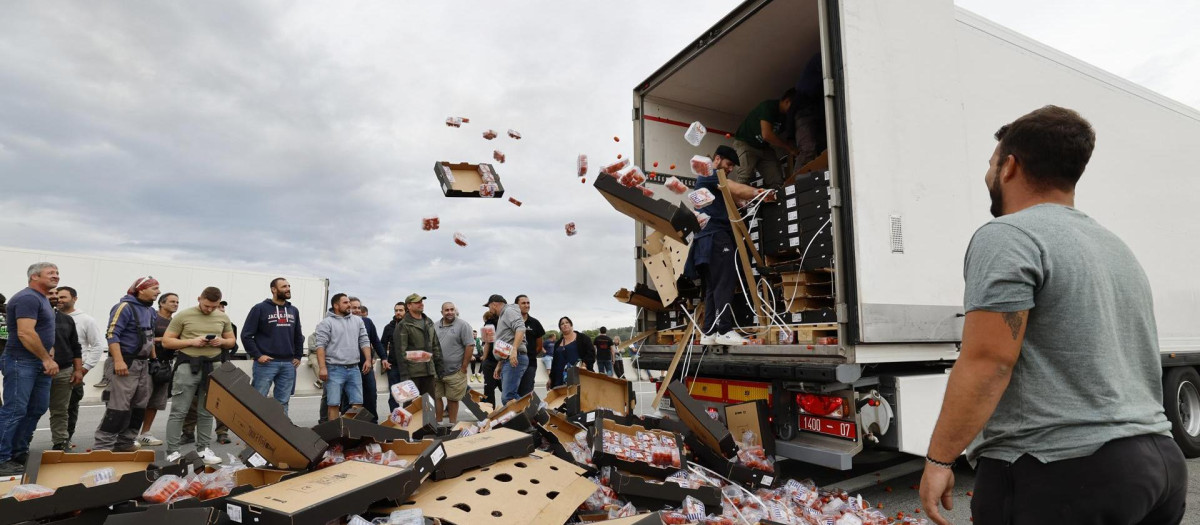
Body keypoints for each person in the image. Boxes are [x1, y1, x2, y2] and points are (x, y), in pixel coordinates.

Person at [919, 106, 1186, 524]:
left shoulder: (1008, 235)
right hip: (1158, 464)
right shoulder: (1114, 245)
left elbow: (989, 362)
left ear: (1010, 166)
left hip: (1059, 471)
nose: (988, 175)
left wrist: (939, 460)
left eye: (991, 164)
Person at [687, 145, 773, 346]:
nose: (730, 168)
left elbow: (732, 195)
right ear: (717, 159)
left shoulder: (706, 180)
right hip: (717, 237)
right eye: (728, 164)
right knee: (725, 282)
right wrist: (760, 192)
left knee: (712, 287)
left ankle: (709, 332)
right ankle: (724, 329)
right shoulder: (710, 173)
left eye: (732, 166)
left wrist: (744, 201)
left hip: (704, 240)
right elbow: (735, 188)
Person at [161, 287, 235, 465]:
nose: (209, 309)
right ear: (199, 298)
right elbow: (166, 341)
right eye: (207, 305)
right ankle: (172, 451)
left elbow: (231, 341)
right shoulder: (183, 316)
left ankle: (203, 448)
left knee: (207, 411)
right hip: (188, 365)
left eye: (214, 306)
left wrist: (222, 341)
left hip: (213, 365)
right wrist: (191, 342)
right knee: (179, 411)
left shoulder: (223, 317)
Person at [0, 262, 60, 475]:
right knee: (15, 409)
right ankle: (1, 457)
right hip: (21, 361)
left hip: (38, 362)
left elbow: (44, 330)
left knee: (37, 408)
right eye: (50, 273)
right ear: (34, 277)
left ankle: (18, 451)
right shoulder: (27, 298)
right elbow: (25, 333)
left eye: (57, 273)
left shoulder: (43, 299)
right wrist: (46, 358)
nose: (56, 276)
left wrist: (49, 350)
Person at [92, 277, 158, 455]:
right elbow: (112, 334)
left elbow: (150, 338)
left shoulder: (151, 311)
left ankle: (125, 442)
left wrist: (154, 360)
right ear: (141, 290)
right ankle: (103, 447)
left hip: (143, 364)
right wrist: (119, 361)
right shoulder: (124, 307)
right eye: (154, 288)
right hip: (126, 362)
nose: (158, 292)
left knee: (139, 405)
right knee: (118, 406)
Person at [243, 278, 304, 414]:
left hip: (288, 364)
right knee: (258, 400)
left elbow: (298, 335)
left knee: (283, 402)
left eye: (289, 286)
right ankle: (254, 432)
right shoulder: (260, 308)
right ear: (273, 289)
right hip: (266, 364)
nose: (288, 289)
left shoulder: (293, 310)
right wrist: (257, 355)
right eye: (284, 286)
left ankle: (280, 433)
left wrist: (298, 356)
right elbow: (246, 335)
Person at [54, 286, 105, 449]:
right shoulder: (49, 316)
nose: (60, 300)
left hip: (73, 371)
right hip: (48, 370)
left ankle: (65, 440)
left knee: (70, 408)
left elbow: (97, 346)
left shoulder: (86, 320)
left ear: (74, 299)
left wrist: (84, 369)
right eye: (58, 297)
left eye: (64, 297)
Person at [313, 293, 373, 423]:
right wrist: (322, 368)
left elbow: (364, 340)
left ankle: (351, 434)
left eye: (349, 302)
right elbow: (320, 346)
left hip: (354, 368)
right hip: (334, 369)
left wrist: (368, 359)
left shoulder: (358, 321)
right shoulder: (326, 323)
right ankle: (335, 437)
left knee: (357, 403)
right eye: (345, 302)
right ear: (336, 305)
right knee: (333, 404)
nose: (349, 305)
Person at [731, 88, 798, 191]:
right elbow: (767, 135)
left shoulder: (786, 118)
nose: (795, 110)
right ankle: (735, 205)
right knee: (744, 175)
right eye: (794, 106)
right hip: (745, 143)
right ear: (787, 101)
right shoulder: (768, 107)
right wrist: (788, 148)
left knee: (777, 180)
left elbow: (787, 136)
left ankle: (777, 204)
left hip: (764, 147)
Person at [133, 292, 177, 447]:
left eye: (177, 302)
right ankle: (131, 434)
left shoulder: (176, 322)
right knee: (140, 400)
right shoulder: (153, 317)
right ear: (161, 303)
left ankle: (145, 433)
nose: (175, 304)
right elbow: (146, 336)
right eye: (172, 301)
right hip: (149, 363)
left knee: (155, 402)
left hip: (166, 364)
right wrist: (163, 341)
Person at [47, 288, 82, 451]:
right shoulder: (31, 317)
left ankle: (61, 443)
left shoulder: (66, 320)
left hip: (64, 371)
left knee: (61, 410)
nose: (55, 297)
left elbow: (75, 347)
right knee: (30, 410)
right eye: (51, 294)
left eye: (57, 295)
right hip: (37, 371)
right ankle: (20, 445)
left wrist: (78, 370)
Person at [392, 294, 444, 399]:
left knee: (429, 407)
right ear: (409, 306)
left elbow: (436, 346)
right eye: (417, 302)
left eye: (421, 301)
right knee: (412, 408)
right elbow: (401, 352)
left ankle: (429, 416)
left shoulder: (428, 322)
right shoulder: (403, 325)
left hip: (429, 372)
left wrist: (440, 370)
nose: (421, 304)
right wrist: (405, 377)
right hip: (412, 375)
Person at [433, 302, 473, 424]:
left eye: (452, 309)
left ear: (455, 311)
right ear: (442, 312)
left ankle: (452, 424)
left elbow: (470, 345)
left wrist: (464, 367)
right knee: (436, 397)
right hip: (437, 371)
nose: (449, 312)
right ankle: (438, 423)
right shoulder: (434, 326)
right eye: (446, 310)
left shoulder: (463, 325)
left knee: (453, 399)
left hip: (456, 371)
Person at [484, 295, 526, 404]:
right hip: (506, 359)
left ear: (494, 304)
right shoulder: (503, 316)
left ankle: (538, 411)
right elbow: (507, 341)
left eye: (489, 307)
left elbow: (520, 328)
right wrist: (500, 363)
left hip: (514, 358)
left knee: (508, 397)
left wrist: (514, 350)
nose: (489, 310)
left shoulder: (508, 311)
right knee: (509, 396)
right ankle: (533, 414)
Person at [348, 298, 385, 422]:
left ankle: (372, 424)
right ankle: (350, 427)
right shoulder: (342, 323)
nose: (357, 310)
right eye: (354, 308)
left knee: (371, 395)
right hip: (347, 367)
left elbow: (375, 341)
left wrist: (384, 357)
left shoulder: (368, 322)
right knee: (348, 400)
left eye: (359, 308)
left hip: (366, 366)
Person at [548, 317, 592, 389]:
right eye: (562, 324)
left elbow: (591, 353)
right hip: (559, 380)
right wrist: (550, 378)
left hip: (578, 378)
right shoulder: (557, 344)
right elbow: (554, 363)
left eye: (567, 322)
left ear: (571, 325)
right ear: (560, 328)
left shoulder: (583, 338)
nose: (565, 325)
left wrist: (584, 365)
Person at [515, 295, 545, 397]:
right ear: (516, 305)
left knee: (526, 393)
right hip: (513, 362)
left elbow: (539, 346)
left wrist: (529, 356)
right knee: (512, 393)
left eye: (528, 303)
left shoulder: (535, 323)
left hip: (530, 364)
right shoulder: (511, 322)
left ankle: (526, 413)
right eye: (523, 303)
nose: (526, 305)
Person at [380, 302, 405, 412]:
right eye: (396, 310)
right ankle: (397, 420)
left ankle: (412, 420)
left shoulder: (410, 325)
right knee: (394, 395)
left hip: (409, 367)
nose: (398, 312)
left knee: (410, 395)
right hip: (393, 366)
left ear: (406, 311)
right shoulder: (389, 327)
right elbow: (382, 344)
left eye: (401, 310)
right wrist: (384, 359)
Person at [479, 311, 500, 406]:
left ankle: (490, 410)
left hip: (491, 359)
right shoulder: (504, 322)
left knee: (489, 389)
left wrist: (484, 358)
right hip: (503, 359)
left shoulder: (488, 323)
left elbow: (487, 342)